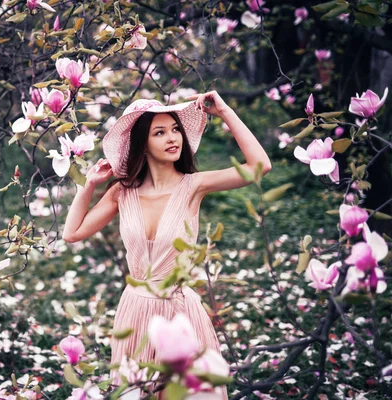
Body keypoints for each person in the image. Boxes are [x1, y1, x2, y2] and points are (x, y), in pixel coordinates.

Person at [62, 91, 272, 399]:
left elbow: (259, 166)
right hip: (134, 312)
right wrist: (89, 185)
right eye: (159, 132)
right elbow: (72, 233)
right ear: (142, 144)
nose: (173, 138)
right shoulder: (123, 192)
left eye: (175, 130)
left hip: (179, 311)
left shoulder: (193, 186)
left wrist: (225, 111)